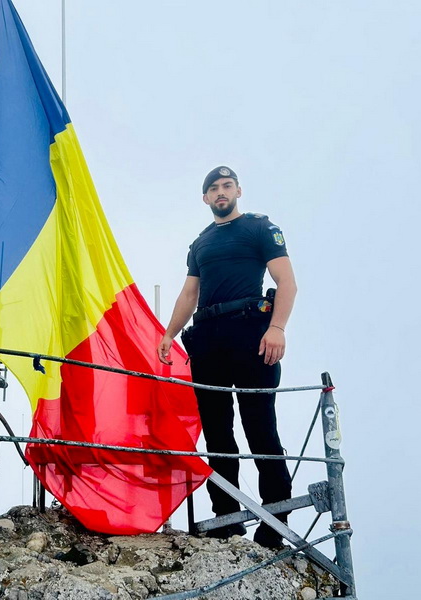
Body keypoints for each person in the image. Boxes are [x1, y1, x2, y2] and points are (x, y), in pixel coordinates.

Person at [157, 166, 297, 549]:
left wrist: (277, 328)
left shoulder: (258, 228)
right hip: (207, 338)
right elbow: (189, 294)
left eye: (226, 186)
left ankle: (276, 517)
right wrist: (169, 333)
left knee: (260, 428)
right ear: (205, 198)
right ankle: (226, 516)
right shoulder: (200, 244)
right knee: (218, 434)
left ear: (238, 190)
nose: (220, 192)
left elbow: (286, 281)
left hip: (251, 332)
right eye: (213, 189)